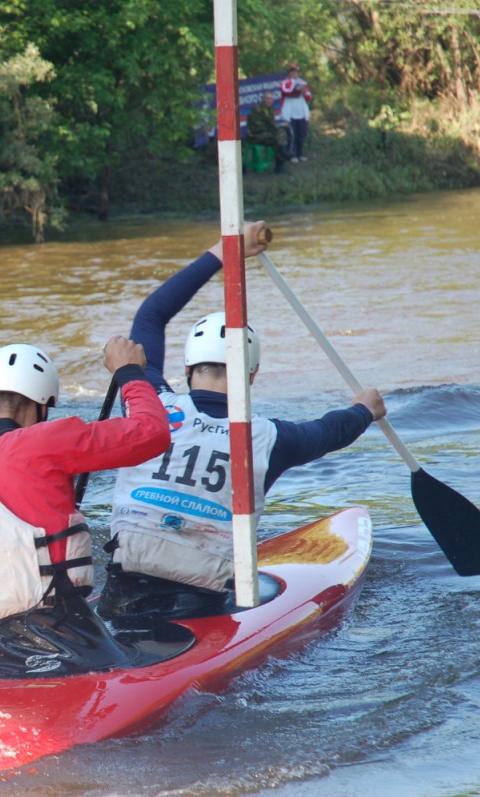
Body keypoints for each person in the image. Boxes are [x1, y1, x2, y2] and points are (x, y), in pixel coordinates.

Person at [98, 222, 386, 623]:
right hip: (203, 597)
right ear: (252, 375)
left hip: (124, 582)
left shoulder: (147, 403)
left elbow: (152, 314)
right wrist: (365, 410)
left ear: (187, 368)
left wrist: (225, 251)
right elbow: (331, 431)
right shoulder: (270, 438)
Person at [0, 339, 173, 678]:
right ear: (40, 406)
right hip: (60, 635)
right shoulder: (39, 440)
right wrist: (129, 373)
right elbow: (152, 433)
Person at [244, 92, 286, 173]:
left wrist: (277, 129)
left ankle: (281, 160)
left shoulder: (270, 110)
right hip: (254, 136)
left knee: (282, 134)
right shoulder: (257, 110)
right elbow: (257, 127)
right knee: (275, 139)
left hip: (265, 134)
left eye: (271, 99)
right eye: (267, 99)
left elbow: (272, 125)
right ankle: (281, 160)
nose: (269, 101)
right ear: (263, 99)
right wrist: (272, 131)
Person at [280, 64, 312, 162]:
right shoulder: (284, 82)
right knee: (292, 135)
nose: (295, 73)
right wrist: (296, 89)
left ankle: (300, 153)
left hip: (301, 113)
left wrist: (304, 91)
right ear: (289, 73)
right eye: (293, 71)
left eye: (296, 71)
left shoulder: (302, 82)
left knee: (301, 134)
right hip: (290, 114)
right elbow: (286, 91)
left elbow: (308, 97)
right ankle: (292, 154)